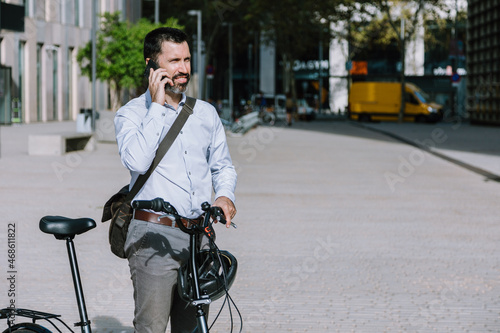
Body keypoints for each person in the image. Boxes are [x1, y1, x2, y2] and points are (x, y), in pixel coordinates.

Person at [114, 27, 237, 333]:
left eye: (187, 60)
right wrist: (156, 106)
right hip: (152, 236)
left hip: (199, 236)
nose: (184, 69)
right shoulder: (131, 115)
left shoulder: (205, 113)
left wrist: (225, 195)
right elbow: (137, 161)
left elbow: (223, 166)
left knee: (194, 328)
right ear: (151, 65)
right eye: (174, 61)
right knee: (151, 327)